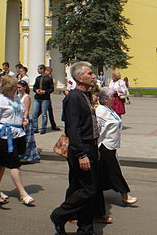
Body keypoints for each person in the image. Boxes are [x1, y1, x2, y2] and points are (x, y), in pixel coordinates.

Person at [50, 61, 99, 235]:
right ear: (79, 77)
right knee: (89, 190)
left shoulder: (86, 95)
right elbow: (73, 128)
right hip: (81, 149)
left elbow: (89, 124)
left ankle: (86, 229)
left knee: (81, 189)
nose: (93, 76)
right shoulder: (73, 97)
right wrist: (81, 154)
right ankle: (59, 214)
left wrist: (95, 147)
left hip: (90, 147)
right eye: (90, 73)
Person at [0, 76, 34, 205]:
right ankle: (22, 193)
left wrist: (22, 121)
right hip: (5, 137)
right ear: (9, 87)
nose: (17, 88)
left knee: (2, 162)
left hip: (18, 134)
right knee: (15, 164)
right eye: (15, 86)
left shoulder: (15, 98)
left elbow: (19, 113)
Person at [96, 87, 138, 206]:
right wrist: (96, 146)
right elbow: (99, 130)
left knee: (102, 172)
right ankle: (125, 196)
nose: (114, 98)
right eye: (112, 97)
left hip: (112, 146)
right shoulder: (101, 111)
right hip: (104, 146)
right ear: (105, 99)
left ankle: (96, 194)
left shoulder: (109, 109)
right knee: (114, 172)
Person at [17, 80, 40, 163]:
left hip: (24, 121)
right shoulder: (18, 96)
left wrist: (25, 119)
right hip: (18, 119)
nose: (18, 89)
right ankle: (20, 155)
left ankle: (27, 157)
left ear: (25, 87)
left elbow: (26, 110)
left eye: (20, 87)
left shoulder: (26, 97)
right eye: (17, 87)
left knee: (27, 140)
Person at [32, 64, 54, 134]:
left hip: (45, 98)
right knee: (34, 113)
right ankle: (35, 128)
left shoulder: (48, 78)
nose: (38, 70)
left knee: (44, 114)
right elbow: (34, 87)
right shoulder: (37, 78)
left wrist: (44, 91)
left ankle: (43, 128)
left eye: (39, 69)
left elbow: (51, 89)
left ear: (42, 70)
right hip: (37, 98)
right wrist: (36, 90)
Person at [45, 67, 60, 131]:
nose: (48, 72)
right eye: (48, 71)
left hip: (47, 97)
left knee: (49, 111)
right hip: (44, 97)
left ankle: (53, 125)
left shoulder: (50, 77)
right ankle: (53, 125)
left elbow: (54, 83)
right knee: (41, 111)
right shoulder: (43, 77)